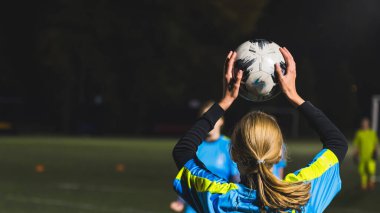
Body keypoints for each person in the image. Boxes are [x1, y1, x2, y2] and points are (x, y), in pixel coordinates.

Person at [172, 48, 348, 212]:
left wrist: (225, 101)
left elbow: (183, 151)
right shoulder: (301, 195)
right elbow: (337, 143)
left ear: (233, 154)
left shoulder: (219, 198)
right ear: (280, 153)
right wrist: (294, 96)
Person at [170, 101, 240, 213]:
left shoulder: (229, 146)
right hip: (194, 208)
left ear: (221, 120)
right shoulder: (194, 147)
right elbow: (187, 177)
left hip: (219, 206)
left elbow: (236, 179)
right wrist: (180, 201)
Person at [353, 117, 378, 190]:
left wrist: (376, 151)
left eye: (366, 123)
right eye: (363, 123)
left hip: (371, 155)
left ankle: (371, 182)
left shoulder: (372, 133)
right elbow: (357, 144)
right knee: (362, 170)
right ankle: (363, 184)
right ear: (362, 124)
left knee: (371, 170)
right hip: (362, 156)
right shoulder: (359, 133)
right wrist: (355, 153)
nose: (364, 125)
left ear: (368, 124)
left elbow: (375, 143)